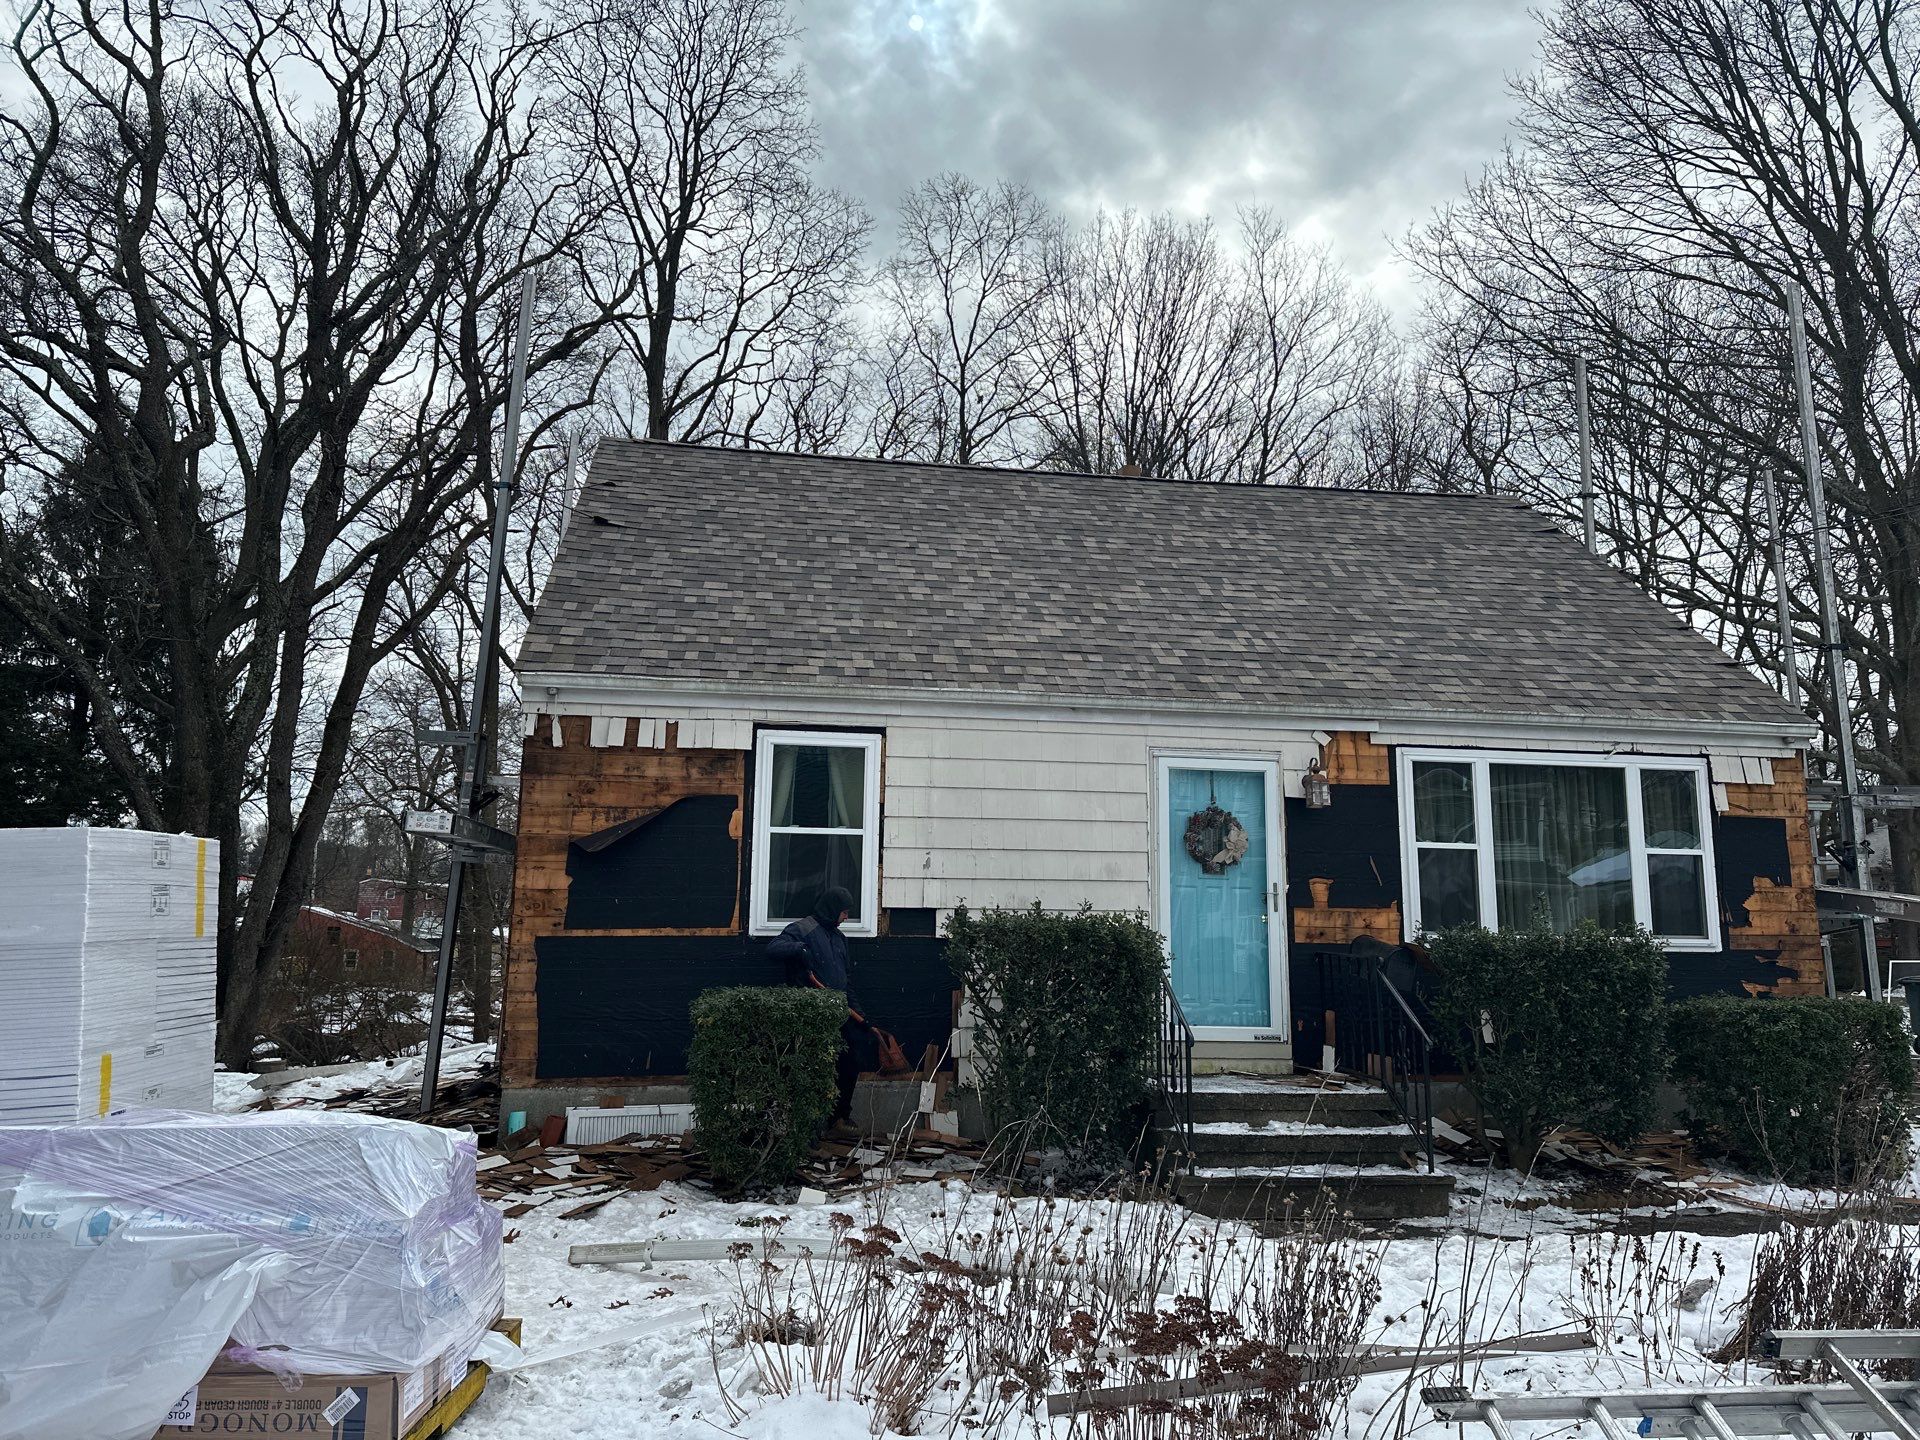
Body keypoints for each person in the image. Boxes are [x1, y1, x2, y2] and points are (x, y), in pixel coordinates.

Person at [768, 885, 872, 1129]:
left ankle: (839, 1117)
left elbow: (846, 982)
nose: (846, 917)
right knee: (814, 1069)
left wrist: (862, 1017)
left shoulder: (839, 939)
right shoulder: (802, 929)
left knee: (851, 1060)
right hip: (811, 1012)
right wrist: (799, 948)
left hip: (838, 1011)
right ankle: (809, 1127)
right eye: (845, 912)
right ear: (832, 909)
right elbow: (773, 948)